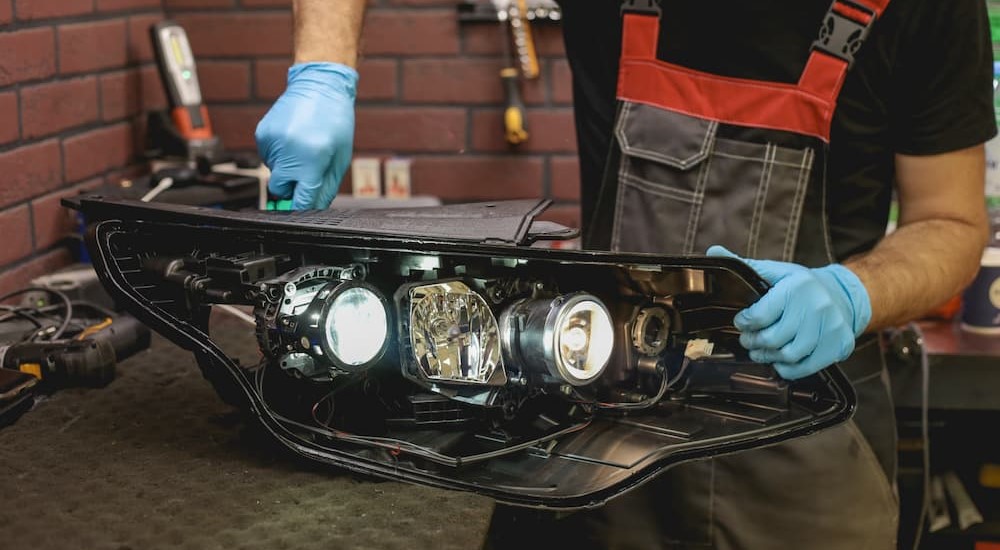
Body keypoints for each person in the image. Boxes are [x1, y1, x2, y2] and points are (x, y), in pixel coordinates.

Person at [255, 0, 994, 547]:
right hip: (599, 444)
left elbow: (952, 225)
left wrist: (853, 294)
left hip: (807, 456)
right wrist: (324, 71)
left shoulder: (923, 10)